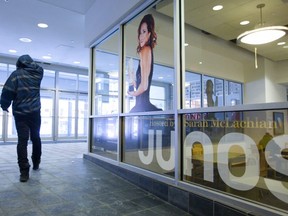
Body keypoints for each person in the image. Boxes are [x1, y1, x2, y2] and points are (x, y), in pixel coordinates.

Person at [0, 54, 43, 182]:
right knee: (36, 137)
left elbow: (7, 91)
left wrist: (4, 105)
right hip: (35, 112)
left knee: (22, 141)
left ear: (19, 63)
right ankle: (36, 162)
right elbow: (38, 67)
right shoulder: (39, 72)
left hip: (21, 114)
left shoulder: (16, 75)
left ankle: (24, 172)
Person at [127, 14, 162, 112]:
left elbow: (144, 86)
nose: (141, 36)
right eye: (140, 32)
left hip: (142, 106)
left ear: (149, 34)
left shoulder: (145, 50)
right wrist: (133, 80)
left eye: (144, 32)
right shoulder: (147, 51)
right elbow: (141, 84)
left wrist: (132, 94)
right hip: (142, 106)